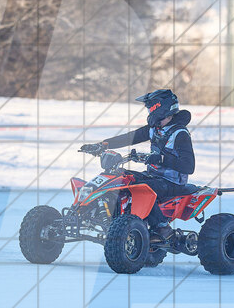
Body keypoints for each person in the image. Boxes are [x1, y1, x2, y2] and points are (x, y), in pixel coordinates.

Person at [81, 89, 195, 240]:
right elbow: (129, 138)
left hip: (172, 182)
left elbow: (189, 166)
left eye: (151, 108)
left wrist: (161, 159)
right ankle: (103, 215)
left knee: (141, 189)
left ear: (160, 108)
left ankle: (162, 228)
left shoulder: (180, 134)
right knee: (121, 177)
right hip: (154, 176)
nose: (149, 112)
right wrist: (103, 145)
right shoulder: (155, 129)